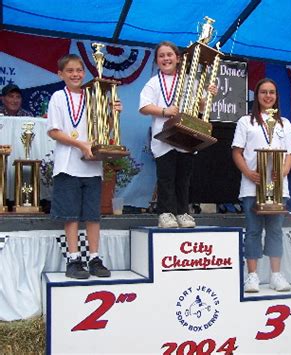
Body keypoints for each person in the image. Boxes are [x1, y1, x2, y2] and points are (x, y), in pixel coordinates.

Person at [47, 54, 121, 279]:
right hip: (68, 165)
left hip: (92, 166)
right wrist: (79, 144)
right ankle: (73, 259)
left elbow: (102, 127)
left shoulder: (92, 96)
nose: (75, 74)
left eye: (79, 70)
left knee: (92, 215)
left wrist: (113, 113)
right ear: (61, 74)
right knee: (71, 215)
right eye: (70, 70)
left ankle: (94, 258)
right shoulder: (58, 97)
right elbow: (53, 131)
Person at [139, 40, 216, 229]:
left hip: (186, 136)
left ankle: (183, 212)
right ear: (157, 61)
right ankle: (165, 213)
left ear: (178, 58)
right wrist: (165, 111)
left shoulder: (190, 80)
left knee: (183, 178)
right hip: (164, 137)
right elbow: (144, 107)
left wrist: (209, 93)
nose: (166, 58)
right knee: (166, 177)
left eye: (169, 55)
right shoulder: (153, 82)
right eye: (162, 56)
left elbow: (201, 105)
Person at [232, 78, 291, 293]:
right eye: (263, 92)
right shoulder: (245, 121)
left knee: (275, 230)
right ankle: (252, 276)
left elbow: (290, 153)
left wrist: (284, 171)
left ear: (276, 96)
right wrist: (249, 173)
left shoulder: (284, 123)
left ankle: (275, 276)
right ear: (257, 95)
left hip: (278, 188)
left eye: (272, 92)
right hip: (253, 186)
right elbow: (237, 152)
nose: (268, 96)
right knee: (252, 231)